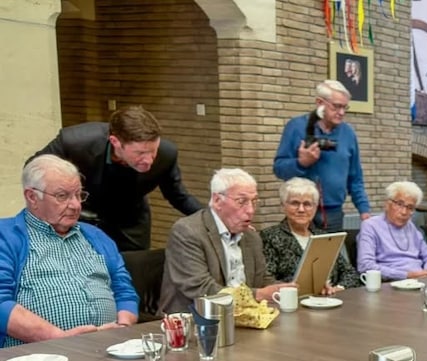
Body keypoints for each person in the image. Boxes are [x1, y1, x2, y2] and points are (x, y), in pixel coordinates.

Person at [1, 155, 138, 347]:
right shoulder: (5, 236)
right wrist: (60, 339)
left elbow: (124, 291)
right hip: (36, 358)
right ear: (32, 197)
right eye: (62, 196)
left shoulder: (96, 236)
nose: (75, 205)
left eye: (78, 194)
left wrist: (122, 329)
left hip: (110, 350)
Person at [29, 105, 203, 251]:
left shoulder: (166, 154)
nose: (149, 160)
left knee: (132, 277)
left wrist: (213, 219)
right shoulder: (75, 142)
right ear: (115, 142)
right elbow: (33, 168)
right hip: (81, 217)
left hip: (130, 222)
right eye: (140, 153)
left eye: (153, 151)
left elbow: (178, 196)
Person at [159, 169, 294, 314]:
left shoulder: (251, 237)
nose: (250, 210)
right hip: (196, 319)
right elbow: (201, 289)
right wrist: (257, 295)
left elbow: (263, 280)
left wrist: (288, 289)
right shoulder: (188, 232)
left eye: (254, 201)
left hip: (244, 316)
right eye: (242, 202)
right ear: (217, 200)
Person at [273, 80, 370, 231]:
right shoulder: (296, 127)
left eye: (345, 107)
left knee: (330, 254)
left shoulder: (348, 133)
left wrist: (364, 211)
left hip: (334, 214)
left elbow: (355, 178)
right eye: (336, 106)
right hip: (301, 211)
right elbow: (279, 169)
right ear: (319, 103)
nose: (342, 113)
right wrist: (301, 163)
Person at [261, 178, 360, 293]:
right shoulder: (270, 236)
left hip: (330, 299)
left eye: (307, 204)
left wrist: (336, 289)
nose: (301, 209)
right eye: (295, 203)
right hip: (294, 302)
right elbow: (267, 280)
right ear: (283, 206)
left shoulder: (323, 237)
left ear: (315, 207)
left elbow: (350, 273)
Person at [357, 181, 427, 280]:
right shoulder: (370, 226)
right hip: (390, 284)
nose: (404, 212)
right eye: (400, 204)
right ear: (387, 204)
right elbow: (365, 266)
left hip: (419, 280)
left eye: (410, 207)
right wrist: (405, 275)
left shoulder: (410, 227)